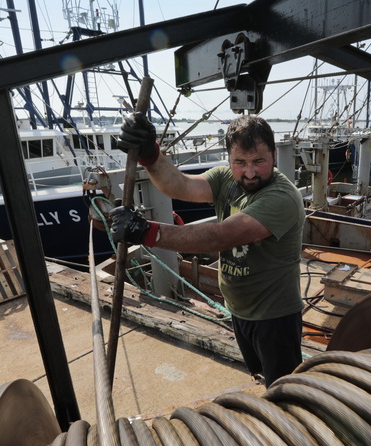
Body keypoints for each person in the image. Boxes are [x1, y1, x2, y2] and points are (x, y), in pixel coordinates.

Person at [110, 113, 305, 387]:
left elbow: (219, 237)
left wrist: (146, 232)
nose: (249, 172)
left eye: (259, 161)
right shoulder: (226, 179)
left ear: (274, 155)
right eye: (240, 162)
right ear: (228, 159)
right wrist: (150, 155)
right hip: (239, 310)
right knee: (262, 377)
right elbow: (181, 185)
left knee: (286, 390)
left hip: (274, 318)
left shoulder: (282, 197)